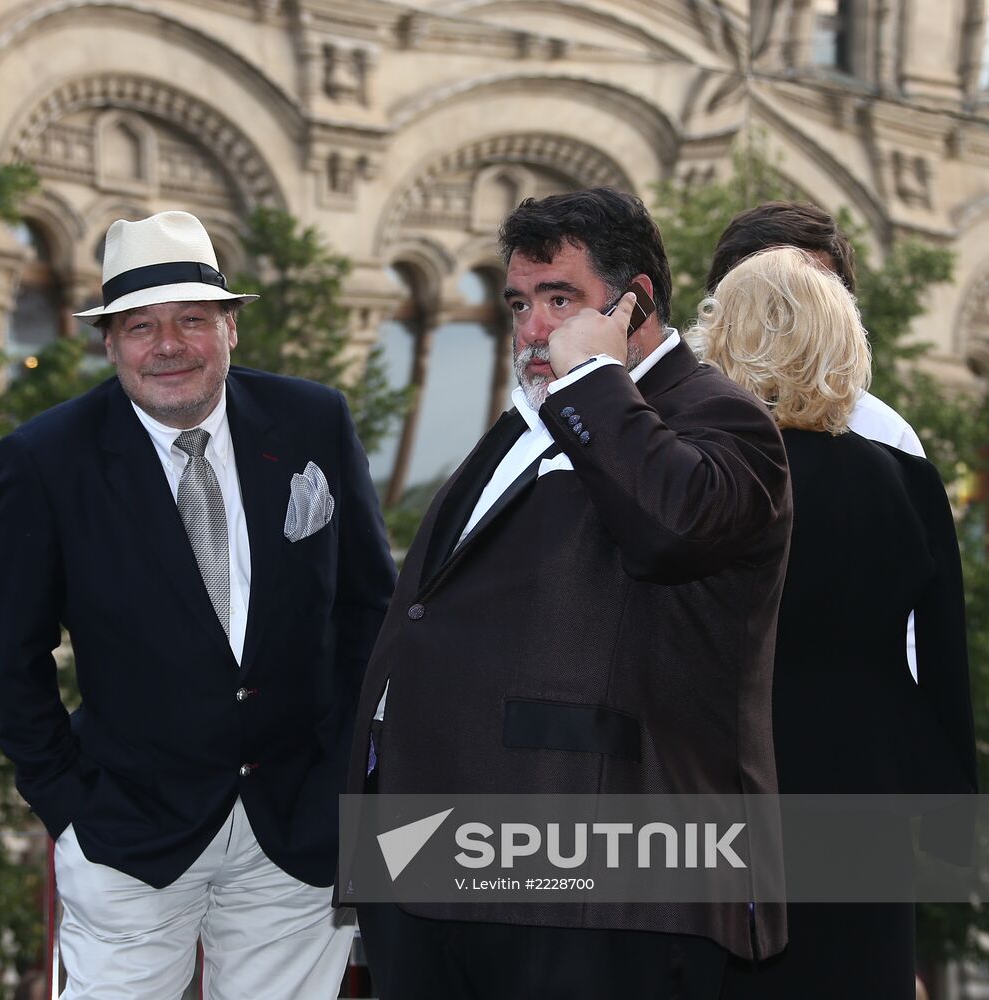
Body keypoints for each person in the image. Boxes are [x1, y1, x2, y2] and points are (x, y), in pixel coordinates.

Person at [348, 188, 794, 999]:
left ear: (636, 304)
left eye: (562, 300)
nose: (532, 329)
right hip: (433, 862)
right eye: (520, 303)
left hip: (596, 879)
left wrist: (593, 376)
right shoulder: (524, 425)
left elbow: (672, 527)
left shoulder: (720, 418)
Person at [0, 210, 396, 999]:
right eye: (141, 326)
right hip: (127, 830)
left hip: (299, 828)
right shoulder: (44, 460)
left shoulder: (315, 421)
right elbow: (9, 653)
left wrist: (348, 781)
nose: (168, 346)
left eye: (191, 320)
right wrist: (67, 806)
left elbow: (370, 610)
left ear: (229, 327)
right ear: (110, 342)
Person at [692, 247, 977, 999]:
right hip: (866, 789)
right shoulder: (906, 478)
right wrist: (953, 824)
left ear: (725, 342)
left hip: (726, 778)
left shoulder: (713, 478)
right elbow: (942, 653)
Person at [705, 200, 923, 457]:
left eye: (813, 297)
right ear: (721, 303)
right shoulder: (673, 418)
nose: (792, 323)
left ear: (843, 313)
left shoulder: (886, 436)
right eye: (771, 299)